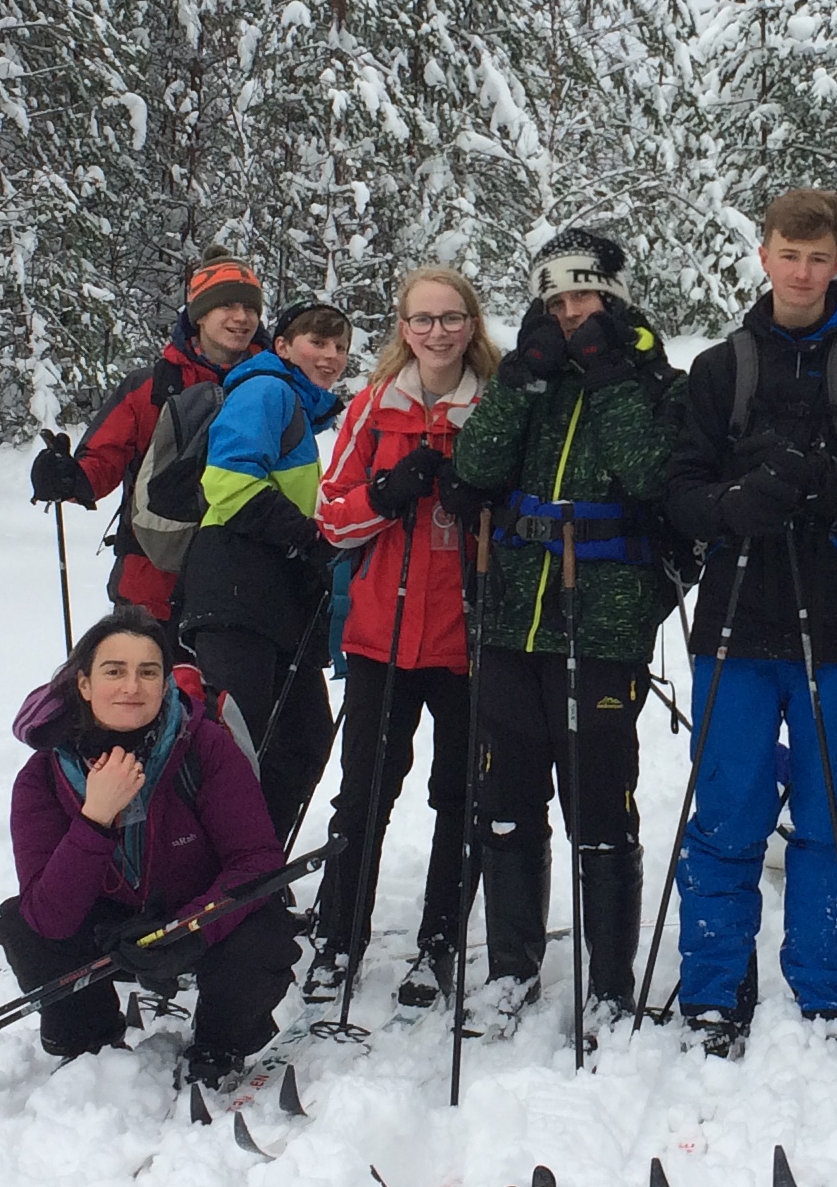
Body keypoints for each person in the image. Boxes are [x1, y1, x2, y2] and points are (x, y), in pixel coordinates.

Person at [659, 187, 837, 1054]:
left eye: (818, 257)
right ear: (762, 256)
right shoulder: (721, 369)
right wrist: (734, 505)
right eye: (787, 254)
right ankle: (713, 986)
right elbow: (678, 494)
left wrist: (828, 485)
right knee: (726, 810)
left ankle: (830, 988)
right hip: (734, 619)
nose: (802, 272)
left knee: (833, 814)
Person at [443, 228, 684, 1034]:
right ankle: (512, 969)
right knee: (505, 801)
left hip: (604, 621)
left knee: (600, 807)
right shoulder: (529, 381)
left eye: (585, 298)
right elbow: (474, 471)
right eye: (556, 301)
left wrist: (611, 378)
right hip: (513, 618)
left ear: (613, 302)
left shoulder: (657, 383)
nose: (571, 314)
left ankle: (611, 981)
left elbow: (653, 474)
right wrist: (517, 383)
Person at [303, 264, 502, 1011]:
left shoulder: (494, 405)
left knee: (460, 794)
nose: (437, 333)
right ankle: (337, 937)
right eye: (422, 319)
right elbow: (334, 518)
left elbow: (515, 518)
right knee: (365, 795)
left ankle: (440, 941)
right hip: (381, 634)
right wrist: (388, 495)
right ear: (403, 327)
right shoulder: (368, 410)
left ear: (471, 324)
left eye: (451, 318)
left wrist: (478, 503)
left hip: (467, 638)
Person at [0, 605, 300, 1091]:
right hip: (103, 921)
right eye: (114, 671)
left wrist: (192, 930)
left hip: (194, 911)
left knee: (263, 931)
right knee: (24, 926)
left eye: (148, 672)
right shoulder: (42, 778)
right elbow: (48, 917)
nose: (132, 687)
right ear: (84, 684)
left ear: (165, 684)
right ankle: (87, 1044)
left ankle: (219, 1042)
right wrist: (95, 820)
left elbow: (256, 861)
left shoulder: (203, 747)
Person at [184, 300, 352, 849]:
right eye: (317, 342)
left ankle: (251, 872)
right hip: (236, 585)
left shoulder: (300, 408)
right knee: (238, 744)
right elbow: (229, 485)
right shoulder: (267, 390)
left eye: (340, 346)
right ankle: (212, 879)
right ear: (282, 346)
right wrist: (312, 541)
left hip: (268, 594)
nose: (330, 356)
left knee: (300, 741)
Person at [29, 257, 266, 623]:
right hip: (153, 586)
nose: (242, 317)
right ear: (199, 315)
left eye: (250, 307)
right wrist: (68, 477)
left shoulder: (272, 387)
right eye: (227, 304)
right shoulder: (151, 388)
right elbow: (103, 461)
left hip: (245, 588)